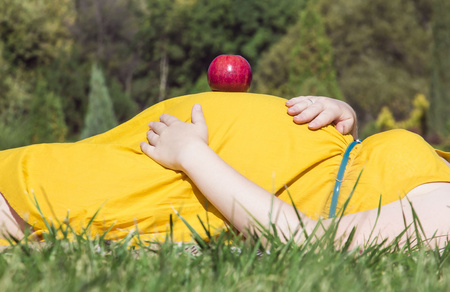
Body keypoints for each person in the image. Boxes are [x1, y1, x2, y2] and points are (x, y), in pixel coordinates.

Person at [0, 92, 449, 249]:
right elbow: (370, 186)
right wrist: (345, 121)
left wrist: (193, 156)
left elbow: (309, 241)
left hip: (181, 183)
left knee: (30, 187)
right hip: (176, 148)